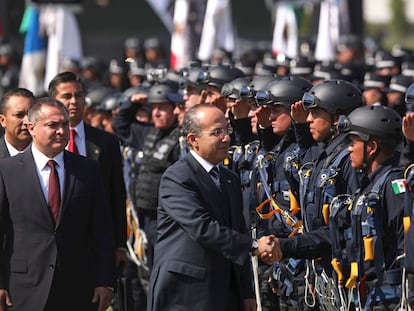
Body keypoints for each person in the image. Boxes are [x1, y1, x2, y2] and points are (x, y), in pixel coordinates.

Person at [146, 103, 278, 311]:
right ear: (193, 140)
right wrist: (254, 246)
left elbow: (237, 230)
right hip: (184, 293)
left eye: (227, 130)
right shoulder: (177, 177)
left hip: (225, 293)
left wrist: (246, 292)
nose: (226, 138)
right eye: (216, 132)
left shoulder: (229, 179)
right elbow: (203, 228)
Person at [0, 97, 115, 311]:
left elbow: (102, 230)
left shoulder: (88, 170)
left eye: (64, 124)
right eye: (52, 125)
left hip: (78, 288)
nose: (61, 131)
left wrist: (105, 281)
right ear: (32, 128)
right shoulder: (7, 171)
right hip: (23, 289)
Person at [47, 71, 127, 267]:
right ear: (52, 101)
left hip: (95, 244)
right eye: (66, 96)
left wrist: (120, 245)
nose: (74, 101)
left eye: (79, 95)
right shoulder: (42, 142)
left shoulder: (106, 142)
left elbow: (116, 194)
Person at [340, 105, 404, 310]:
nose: (348, 149)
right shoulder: (370, 185)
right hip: (371, 295)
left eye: (352, 142)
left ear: (372, 146)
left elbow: (404, 245)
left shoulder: (394, 185)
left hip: (390, 299)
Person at [0, 88, 35, 157]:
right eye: (19, 115)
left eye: (31, 114)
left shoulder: (50, 155)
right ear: (3, 120)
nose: (27, 121)